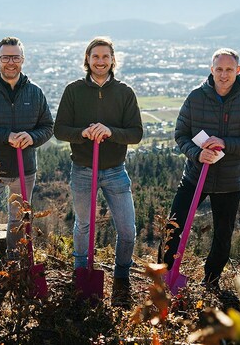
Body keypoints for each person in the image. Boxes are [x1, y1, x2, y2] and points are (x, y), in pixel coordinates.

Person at [158, 47, 240, 291]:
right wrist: (198, 153)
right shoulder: (196, 97)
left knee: (222, 236)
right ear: (211, 70)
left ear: (238, 71)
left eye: (229, 69)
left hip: (230, 181)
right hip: (195, 176)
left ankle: (210, 283)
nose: (224, 74)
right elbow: (181, 134)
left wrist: (226, 144)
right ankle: (164, 279)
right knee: (173, 228)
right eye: (219, 69)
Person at [54, 37, 143, 306]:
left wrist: (110, 132)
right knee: (84, 226)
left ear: (113, 60)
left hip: (116, 170)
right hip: (82, 168)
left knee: (128, 230)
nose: (100, 61)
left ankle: (121, 278)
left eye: (105, 56)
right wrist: (82, 132)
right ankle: (81, 274)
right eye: (96, 57)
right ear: (87, 60)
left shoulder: (125, 92)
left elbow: (136, 133)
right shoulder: (73, 91)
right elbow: (60, 130)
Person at [0, 36, 54, 284]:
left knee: (18, 222)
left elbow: (47, 127)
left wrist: (32, 137)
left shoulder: (35, 92)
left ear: (23, 59)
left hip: (25, 170)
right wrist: (7, 136)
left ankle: (14, 268)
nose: (10, 62)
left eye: (15, 57)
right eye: (5, 57)